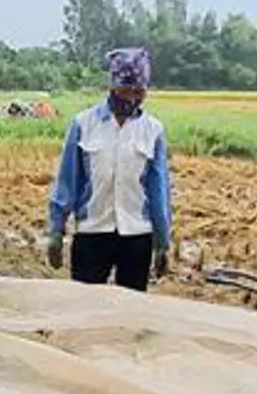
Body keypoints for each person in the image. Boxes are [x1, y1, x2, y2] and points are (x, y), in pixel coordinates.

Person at [46, 48, 172, 292]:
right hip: (92, 233)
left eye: (140, 91)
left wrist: (163, 242)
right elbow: (68, 181)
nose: (133, 97)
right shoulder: (84, 124)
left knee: (130, 314)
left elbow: (159, 191)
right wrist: (56, 230)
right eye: (127, 89)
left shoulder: (153, 130)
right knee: (85, 309)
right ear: (113, 86)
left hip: (136, 236)